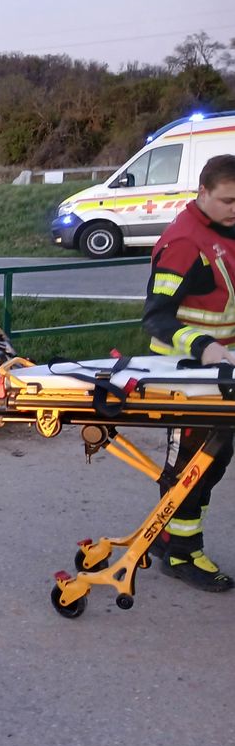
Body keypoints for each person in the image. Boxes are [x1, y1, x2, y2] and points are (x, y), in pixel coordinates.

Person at [141, 153, 235, 590]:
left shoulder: (222, 232)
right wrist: (204, 347)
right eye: (228, 200)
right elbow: (158, 318)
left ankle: (167, 537)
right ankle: (181, 554)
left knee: (209, 461)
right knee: (194, 466)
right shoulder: (185, 244)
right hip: (188, 375)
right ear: (202, 193)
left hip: (219, 374)